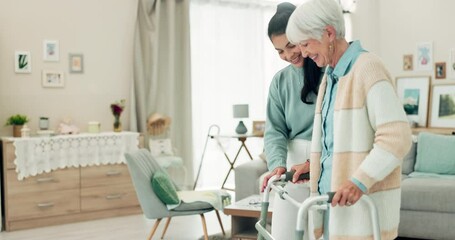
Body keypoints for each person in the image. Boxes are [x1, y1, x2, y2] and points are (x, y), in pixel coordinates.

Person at [286, 0, 413, 239]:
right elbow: (336, 143)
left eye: (305, 44)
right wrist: (314, 167)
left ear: (329, 33)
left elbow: (397, 138)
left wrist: (358, 182)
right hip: (330, 209)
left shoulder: (368, 68)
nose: (303, 53)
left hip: (360, 214)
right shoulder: (331, 76)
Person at [260, 2, 322, 239]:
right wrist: (277, 164)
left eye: (290, 45)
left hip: (322, 161)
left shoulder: (328, 71)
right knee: (284, 233)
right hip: (291, 167)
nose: (288, 55)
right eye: (279, 52)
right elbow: (274, 130)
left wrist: (312, 162)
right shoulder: (280, 81)